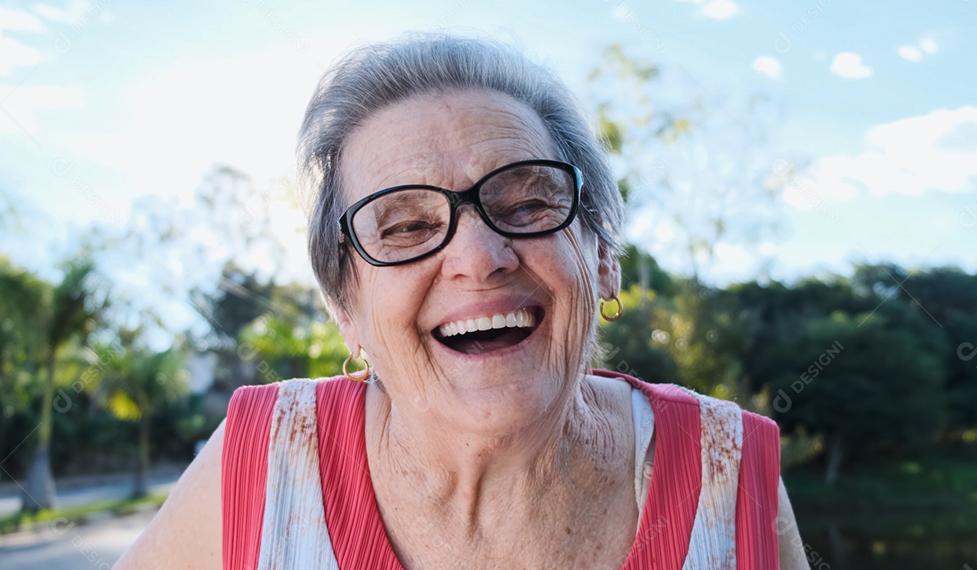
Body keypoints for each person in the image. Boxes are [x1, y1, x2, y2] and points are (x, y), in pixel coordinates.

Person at [116, 34, 810, 569]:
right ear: (346, 307)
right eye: (408, 226)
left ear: (602, 260)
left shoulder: (733, 469)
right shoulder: (260, 464)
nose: (478, 257)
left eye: (530, 203)